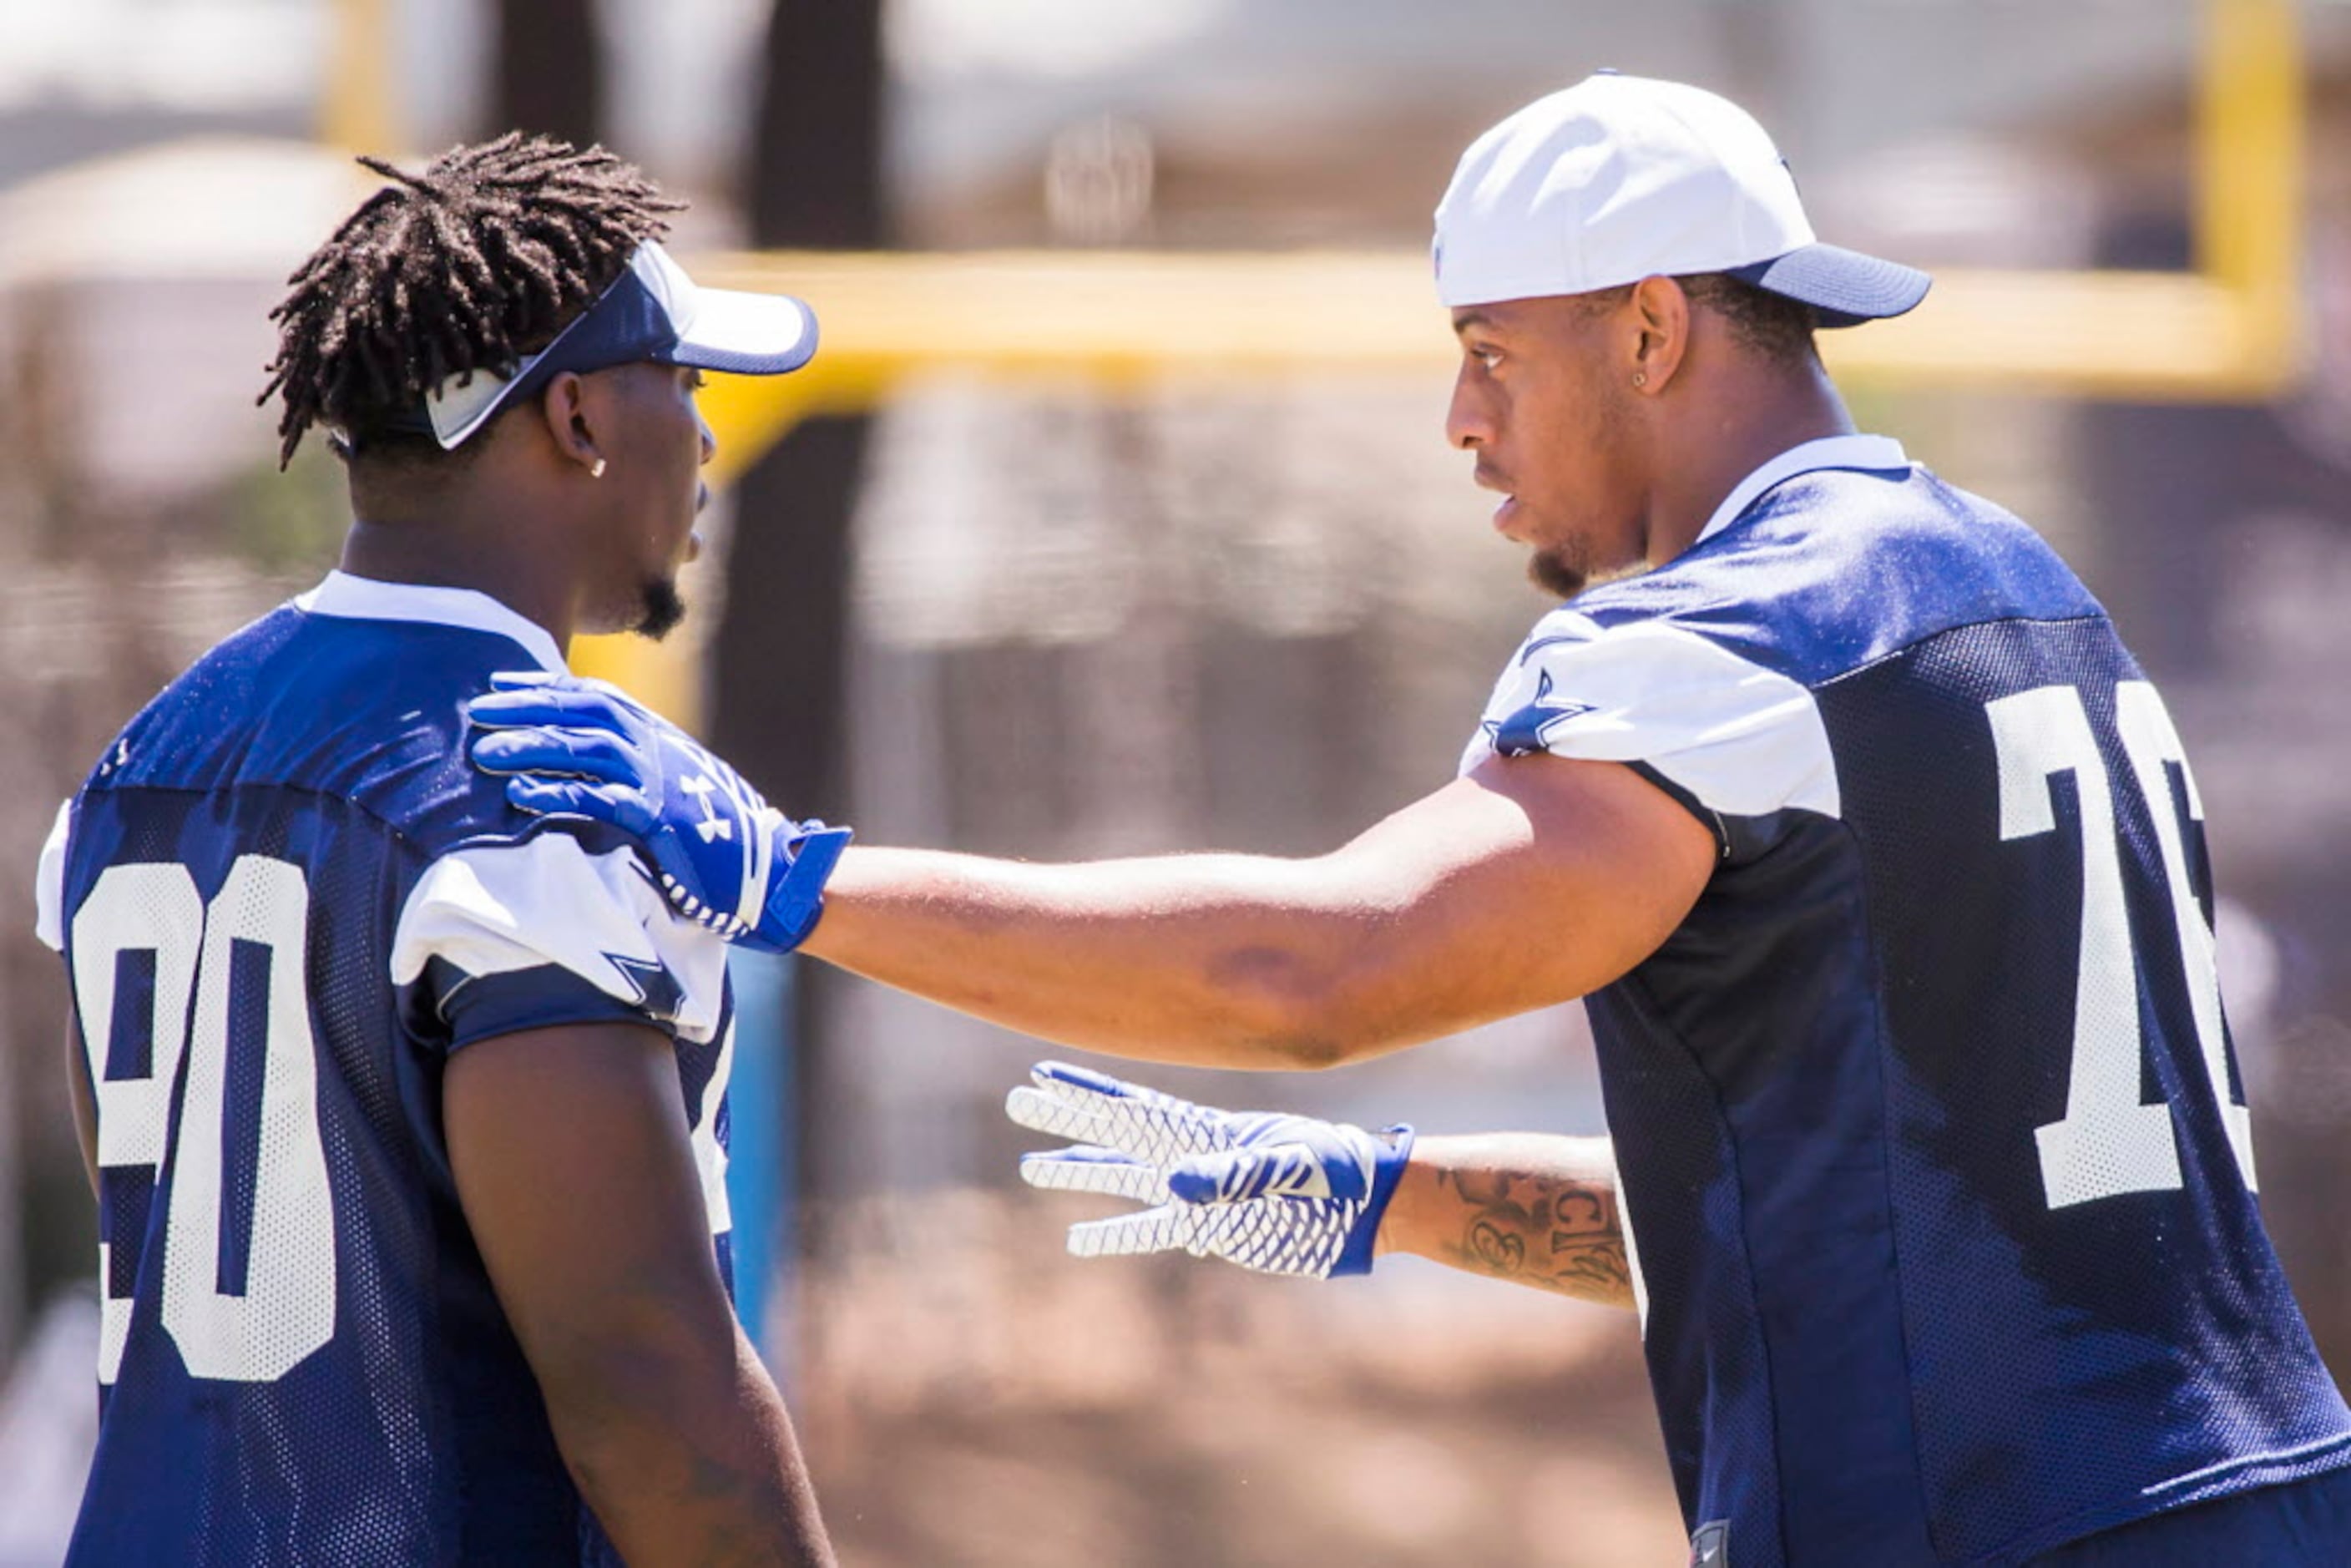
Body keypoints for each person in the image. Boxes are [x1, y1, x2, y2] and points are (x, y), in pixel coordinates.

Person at [464, 76, 2351, 1565]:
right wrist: (1402, 1202)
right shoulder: (2013, 589)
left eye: (1491, 351)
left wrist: (791, 877)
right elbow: (1894, 1198)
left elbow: (1317, 969)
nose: (1457, 418)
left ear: (1649, 330)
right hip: (2257, 1489)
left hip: (1995, 1526)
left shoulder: (1718, 640)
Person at [33, 134, 838, 1566]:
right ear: (580, 415)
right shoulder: (538, 798)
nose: (708, 436)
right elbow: (648, 1388)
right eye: (687, 383)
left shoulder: (132, 772)